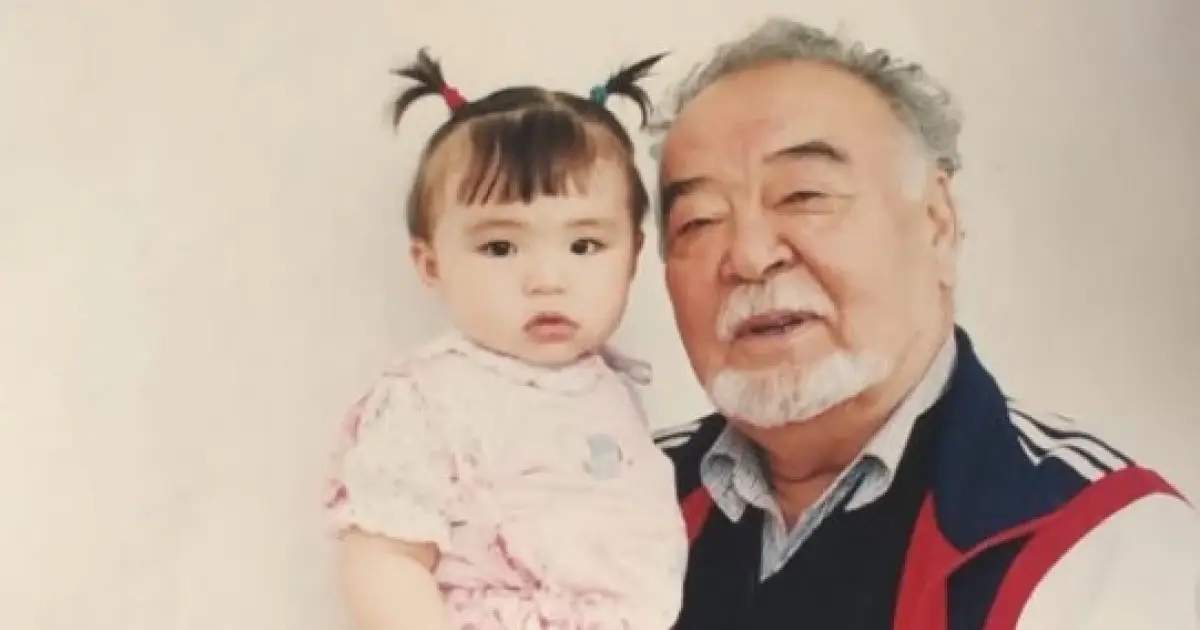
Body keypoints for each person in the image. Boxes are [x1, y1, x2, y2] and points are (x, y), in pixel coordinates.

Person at [651, 17, 1199, 630]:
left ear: (937, 224)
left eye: (803, 195)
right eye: (698, 221)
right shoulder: (614, 495)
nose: (750, 256)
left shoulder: (1101, 543)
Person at [324, 49, 686, 630]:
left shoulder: (610, 389)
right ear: (432, 263)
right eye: (500, 247)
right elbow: (386, 560)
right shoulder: (431, 398)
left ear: (634, 255)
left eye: (584, 245)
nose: (547, 279)